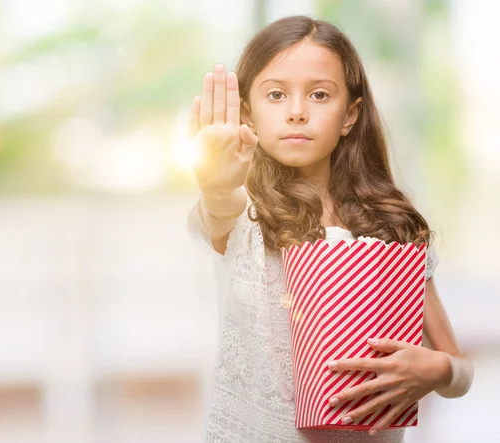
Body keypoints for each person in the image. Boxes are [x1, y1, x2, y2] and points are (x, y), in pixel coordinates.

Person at [187, 15, 473, 443]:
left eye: (320, 95)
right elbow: (218, 209)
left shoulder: (390, 224)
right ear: (247, 111)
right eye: (276, 95)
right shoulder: (244, 217)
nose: (298, 111)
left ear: (349, 115)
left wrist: (439, 369)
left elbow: (459, 369)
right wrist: (216, 183)